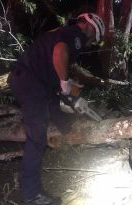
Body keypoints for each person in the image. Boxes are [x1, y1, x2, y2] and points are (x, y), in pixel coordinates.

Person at [7, 13, 105, 205]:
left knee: (54, 104)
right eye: (94, 38)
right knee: (37, 139)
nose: (91, 42)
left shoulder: (62, 32)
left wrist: (66, 89)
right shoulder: (76, 35)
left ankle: (67, 130)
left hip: (35, 82)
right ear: (91, 28)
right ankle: (31, 195)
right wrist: (66, 83)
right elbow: (60, 52)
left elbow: (55, 77)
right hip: (30, 81)